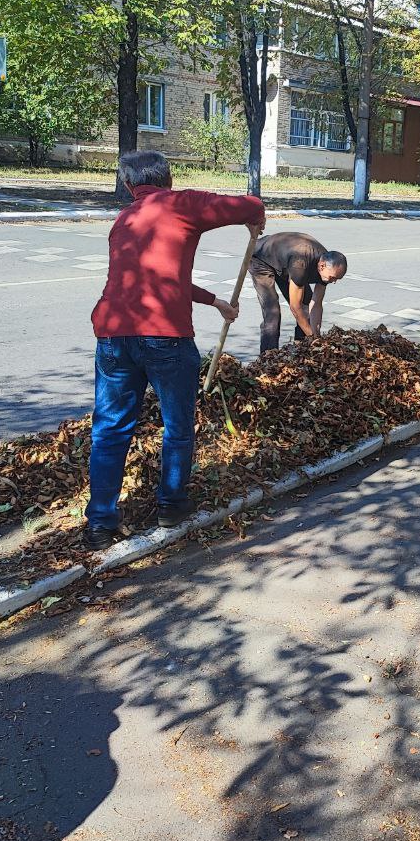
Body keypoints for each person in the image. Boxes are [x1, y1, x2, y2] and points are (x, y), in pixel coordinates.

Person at [85, 150, 265, 549]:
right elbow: (249, 204)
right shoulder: (181, 203)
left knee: (110, 430)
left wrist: (215, 301)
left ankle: (99, 523)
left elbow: (163, 277)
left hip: (113, 336)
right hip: (165, 338)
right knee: (178, 427)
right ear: (168, 178)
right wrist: (256, 217)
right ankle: (171, 505)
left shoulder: (125, 220)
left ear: (131, 186)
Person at [250, 232, 349, 353]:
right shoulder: (300, 265)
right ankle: (267, 356)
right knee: (272, 313)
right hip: (262, 258)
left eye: (337, 279)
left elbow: (316, 303)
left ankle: (301, 351)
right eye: (333, 278)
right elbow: (295, 307)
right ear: (322, 266)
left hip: (285, 263)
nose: (333, 282)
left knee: (306, 308)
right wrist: (312, 337)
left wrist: (316, 336)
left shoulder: (327, 267)